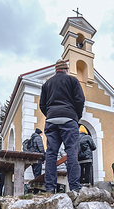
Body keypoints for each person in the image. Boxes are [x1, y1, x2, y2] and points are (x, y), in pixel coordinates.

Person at [39, 59, 85, 193]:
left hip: (51, 119)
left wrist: (50, 113)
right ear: (66, 70)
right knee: (71, 151)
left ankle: (50, 187)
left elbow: (42, 105)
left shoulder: (47, 84)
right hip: (69, 118)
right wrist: (76, 115)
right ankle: (75, 186)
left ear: (56, 70)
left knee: (51, 153)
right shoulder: (73, 80)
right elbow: (80, 100)